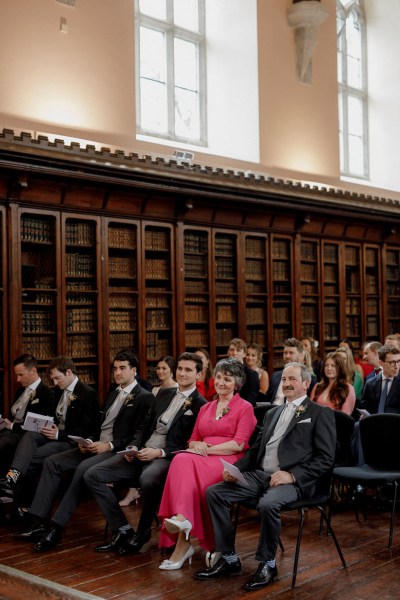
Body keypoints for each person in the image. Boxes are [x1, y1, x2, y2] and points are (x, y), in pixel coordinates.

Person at [193, 362, 336, 591]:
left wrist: (292, 475)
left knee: (268, 503)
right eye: (285, 379)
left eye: (293, 379)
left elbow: (326, 458)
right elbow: (254, 450)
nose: (286, 383)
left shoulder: (320, 413)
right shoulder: (272, 413)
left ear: (306, 383)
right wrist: (235, 468)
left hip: (296, 482)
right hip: (260, 476)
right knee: (215, 492)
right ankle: (229, 558)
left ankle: (268, 564)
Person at [13, 349, 154, 551]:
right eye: (115, 368)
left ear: (134, 371)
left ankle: (56, 527)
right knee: (52, 462)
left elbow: (138, 434)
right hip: (95, 446)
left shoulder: (144, 397)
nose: (118, 372)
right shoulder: (114, 392)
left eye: (122, 368)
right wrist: (87, 440)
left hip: (114, 450)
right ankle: (40, 522)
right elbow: (98, 424)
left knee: (83, 470)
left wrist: (109, 445)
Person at [83, 352, 206, 555]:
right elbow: (144, 425)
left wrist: (159, 452)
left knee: (148, 477)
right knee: (92, 475)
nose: (182, 373)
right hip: (140, 452)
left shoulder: (200, 404)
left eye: (188, 370)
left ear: (198, 375)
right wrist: (134, 446)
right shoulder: (164, 394)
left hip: (167, 458)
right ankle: (121, 529)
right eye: (180, 368)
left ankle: (142, 532)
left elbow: (189, 443)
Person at [157, 359, 256, 570]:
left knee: (184, 460)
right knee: (181, 457)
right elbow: (192, 440)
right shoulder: (206, 407)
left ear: (236, 384)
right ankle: (183, 523)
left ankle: (183, 536)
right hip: (200, 457)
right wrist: (198, 445)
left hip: (227, 459)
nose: (221, 382)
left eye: (227, 379)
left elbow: (238, 445)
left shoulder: (245, 407)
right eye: (219, 377)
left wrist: (206, 449)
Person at [0, 356, 99, 503]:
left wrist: (58, 433)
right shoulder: (59, 390)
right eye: (52, 379)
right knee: (31, 434)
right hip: (53, 433)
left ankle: (19, 501)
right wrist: (49, 425)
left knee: (29, 457)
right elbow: (54, 416)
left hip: (68, 441)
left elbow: (85, 430)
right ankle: (11, 479)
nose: (54, 383)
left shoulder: (88, 393)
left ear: (69, 372)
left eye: (57, 378)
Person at [119, 355, 177, 507]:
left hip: (164, 441)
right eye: (158, 368)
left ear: (172, 371)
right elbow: (149, 418)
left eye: (164, 368)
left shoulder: (178, 390)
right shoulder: (155, 389)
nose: (160, 371)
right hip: (150, 434)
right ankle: (133, 490)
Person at [0, 354, 54, 477]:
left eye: (21, 375)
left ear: (33, 371)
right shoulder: (20, 391)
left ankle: (8, 482)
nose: (17, 380)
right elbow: (12, 416)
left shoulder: (47, 393)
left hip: (23, 435)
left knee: (3, 443)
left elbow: (38, 426)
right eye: (16, 375)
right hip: (9, 430)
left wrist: (12, 426)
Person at [265, 338, 317, 405]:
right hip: (273, 411)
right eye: (285, 353)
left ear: (300, 355)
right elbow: (267, 399)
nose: (287, 356)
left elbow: (310, 403)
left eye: (291, 353)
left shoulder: (310, 378)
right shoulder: (276, 376)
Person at [359, 345, 400, 415]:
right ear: (381, 363)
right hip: (374, 422)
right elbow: (364, 408)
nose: (396, 366)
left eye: (398, 361)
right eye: (392, 362)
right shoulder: (370, 383)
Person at [227, 338, 259, 406]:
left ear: (244, 354)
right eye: (232, 350)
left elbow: (251, 401)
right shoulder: (222, 372)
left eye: (238, 350)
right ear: (228, 353)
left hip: (243, 411)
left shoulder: (252, 375)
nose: (234, 353)